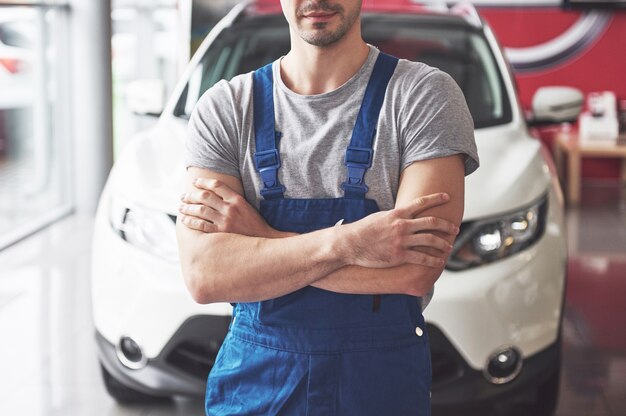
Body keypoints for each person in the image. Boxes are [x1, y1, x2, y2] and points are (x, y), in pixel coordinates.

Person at [176, 0, 478, 414]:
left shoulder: (423, 96)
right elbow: (205, 276)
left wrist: (260, 240)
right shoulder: (226, 109)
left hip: (378, 391)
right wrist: (349, 243)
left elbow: (414, 271)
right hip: (256, 391)